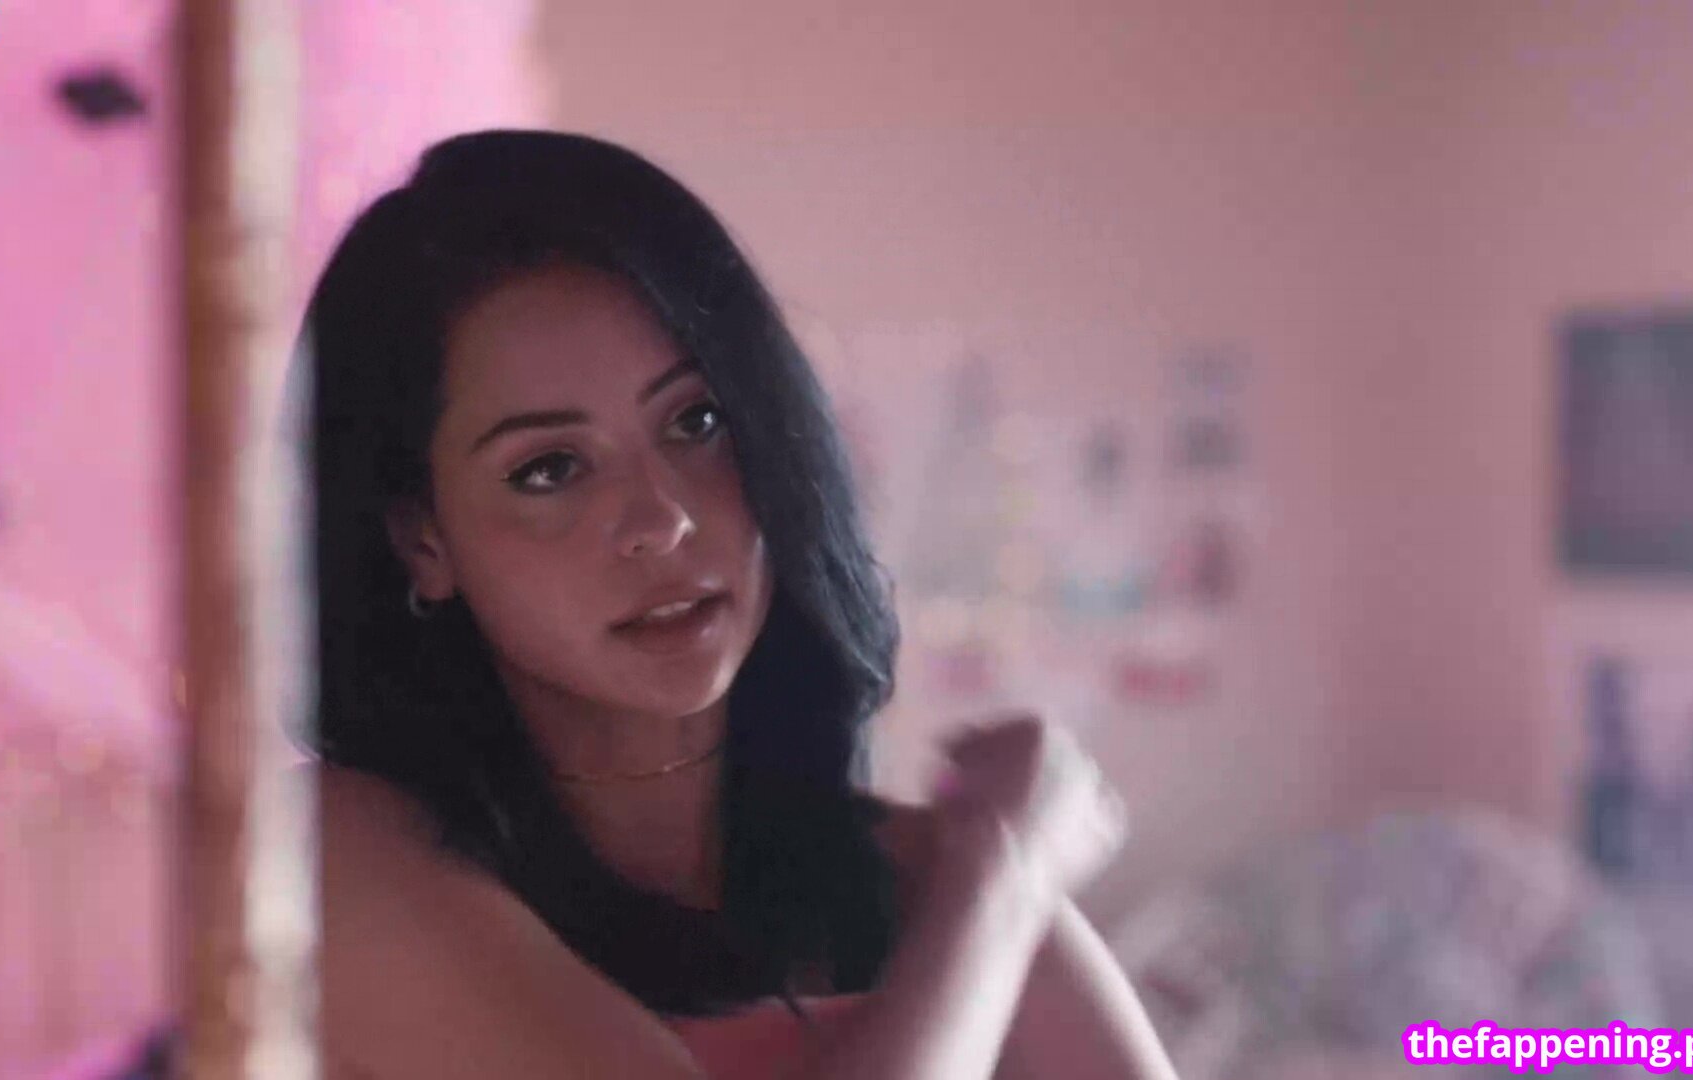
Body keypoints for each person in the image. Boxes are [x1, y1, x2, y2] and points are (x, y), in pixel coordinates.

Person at [306, 129, 1178, 1079]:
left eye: (698, 420)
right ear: (422, 540)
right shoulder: (332, 849)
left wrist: (992, 884)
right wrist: (1003, 885)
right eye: (550, 468)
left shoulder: (931, 875)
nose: (661, 519)